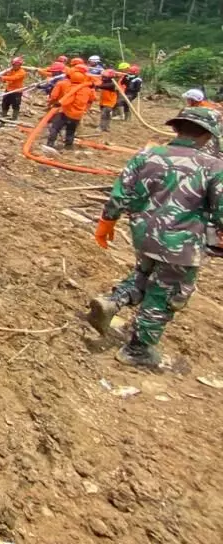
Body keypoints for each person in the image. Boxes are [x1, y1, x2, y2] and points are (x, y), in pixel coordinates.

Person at [86, 107, 223, 368]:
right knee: (167, 291)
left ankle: (113, 302)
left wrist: (107, 222)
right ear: (208, 135)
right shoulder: (214, 166)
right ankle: (137, 350)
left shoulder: (148, 154)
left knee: (145, 274)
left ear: (177, 128)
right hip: (180, 242)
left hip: (143, 234)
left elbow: (119, 193)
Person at [45, 66, 96, 149]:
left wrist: (58, 103)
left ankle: (50, 144)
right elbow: (92, 99)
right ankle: (68, 146)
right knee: (71, 130)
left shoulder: (71, 88)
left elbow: (68, 99)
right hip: (78, 114)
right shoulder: (87, 89)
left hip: (66, 112)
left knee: (55, 127)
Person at [0, 57, 28, 123]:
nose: (15, 66)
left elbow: (13, 78)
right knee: (5, 103)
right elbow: (7, 78)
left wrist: (3, 77)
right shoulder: (11, 70)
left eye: (16, 65)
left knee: (16, 104)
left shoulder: (22, 72)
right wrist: (2, 78)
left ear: (20, 65)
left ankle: (14, 117)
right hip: (9, 89)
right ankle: (4, 114)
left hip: (17, 91)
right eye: (14, 65)